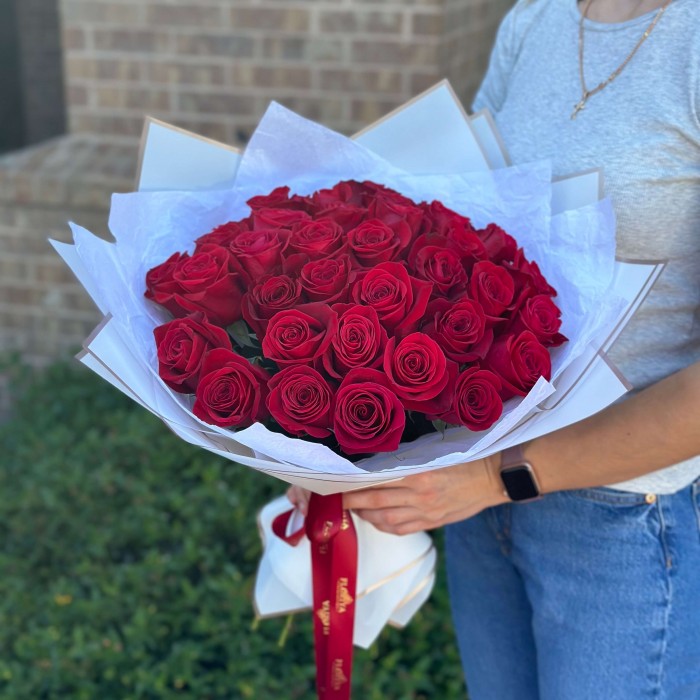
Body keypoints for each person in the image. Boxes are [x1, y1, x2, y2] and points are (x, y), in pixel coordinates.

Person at [290, 0, 700, 697]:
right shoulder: (535, 21)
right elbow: (454, 240)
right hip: (478, 498)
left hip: (622, 522)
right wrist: (324, 433)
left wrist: (493, 478)